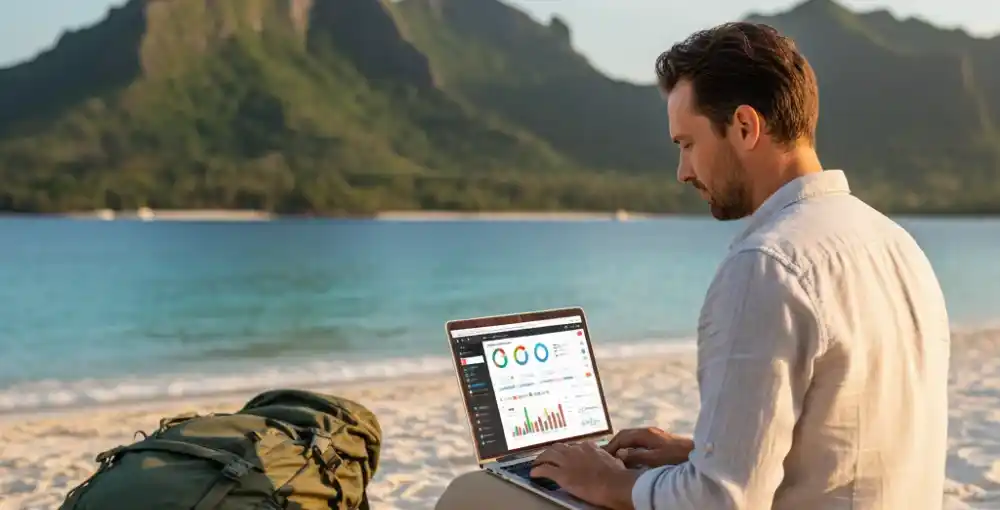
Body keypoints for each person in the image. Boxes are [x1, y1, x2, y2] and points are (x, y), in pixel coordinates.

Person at [436, 21, 951, 510]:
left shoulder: (767, 265)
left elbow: (721, 501)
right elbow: (844, 444)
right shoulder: (896, 244)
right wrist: (695, 454)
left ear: (745, 127)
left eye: (687, 144)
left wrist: (613, 482)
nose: (683, 171)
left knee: (469, 494)